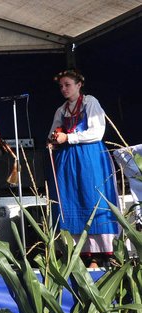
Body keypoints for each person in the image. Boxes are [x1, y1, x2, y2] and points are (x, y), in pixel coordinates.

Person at [48, 69, 119, 268]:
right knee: (71, 200)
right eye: (61, 86)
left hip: (89, 156)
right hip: (68, 159)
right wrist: (53, 139)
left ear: (79, 85)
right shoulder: (61, 110)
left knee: (93, 197)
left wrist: (69, 137)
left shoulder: (90, 102)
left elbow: (97, 132)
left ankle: (102, 254)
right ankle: (80, 253)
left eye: (67, 85)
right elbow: (53, 132)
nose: (64, 89)